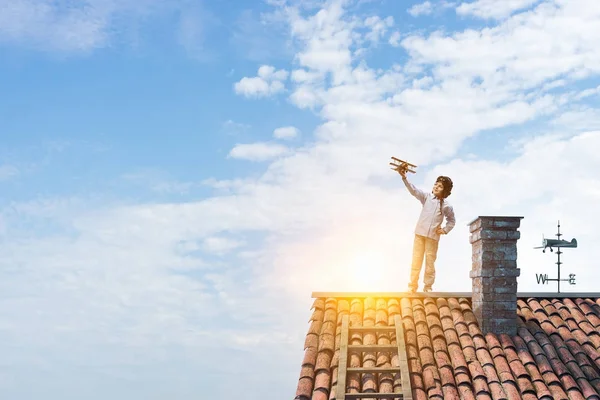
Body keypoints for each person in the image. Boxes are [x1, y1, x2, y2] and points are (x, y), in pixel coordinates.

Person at [396, 166, 455, 293]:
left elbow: (452, 221)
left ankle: (428, 287)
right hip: (419, 234)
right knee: (416, 260)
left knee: (430, 263)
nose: (436, 187)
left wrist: (444, 230)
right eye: (435, 184)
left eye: (440, 186)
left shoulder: (447, 206)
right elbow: (414, 190)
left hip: (432, 238)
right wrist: (404, 178)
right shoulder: (426, 197)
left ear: (445, 190)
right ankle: (412, 285)